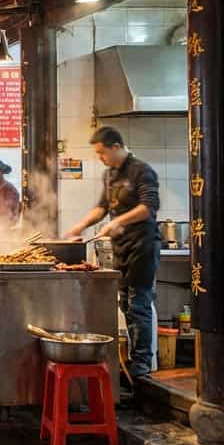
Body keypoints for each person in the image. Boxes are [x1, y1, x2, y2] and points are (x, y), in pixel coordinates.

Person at [63, 127, 161, 381]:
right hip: (121, 248)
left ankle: (142, 365)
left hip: (142, 247)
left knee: (138, 305)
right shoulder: (110, 175)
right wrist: (80, 226)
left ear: (116, 147)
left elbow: (148, 208)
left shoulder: (142, 171)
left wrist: (119, 221)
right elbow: (102, 207)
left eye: (102, 153)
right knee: (125, 303)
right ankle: (132, 363)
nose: (100, 158)